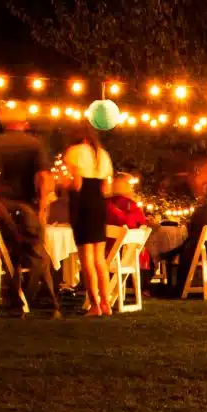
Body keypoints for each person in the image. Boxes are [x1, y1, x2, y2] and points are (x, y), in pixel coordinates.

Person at [0, 107, 61, 317]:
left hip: (2, 206)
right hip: (25, 206)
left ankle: (13, 304)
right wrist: (43, 207)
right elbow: (44, 178)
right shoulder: (34, 144)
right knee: (38, 253)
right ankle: (45, 304)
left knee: (11, 256)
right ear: (24, 123)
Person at [63, 123, 114, 317]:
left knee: (86, 258)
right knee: (99, 258)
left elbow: (76, 184)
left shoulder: (74, 152)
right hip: (99, 204)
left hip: (82, 204)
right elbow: (106, 189)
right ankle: (106, 303)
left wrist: (63, 185)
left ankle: (95, 305)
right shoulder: (102, 154)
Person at [106, 172, 153, 284]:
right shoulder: (132, 205)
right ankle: (140, 284)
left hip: (106, 251)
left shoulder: (104, 205)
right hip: (129, 255)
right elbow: (142, 224)